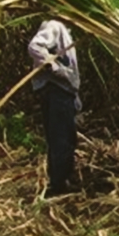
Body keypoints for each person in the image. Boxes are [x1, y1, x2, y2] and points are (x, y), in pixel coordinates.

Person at [28, 18, 81, 199]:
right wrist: (54, 67)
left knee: (64, 136)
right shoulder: (54, 26)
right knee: (61, 137)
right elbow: (35, 47)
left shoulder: (65, 31)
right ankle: (60, 184)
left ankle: (61, 179)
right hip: (57, 91)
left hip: (63, 92)